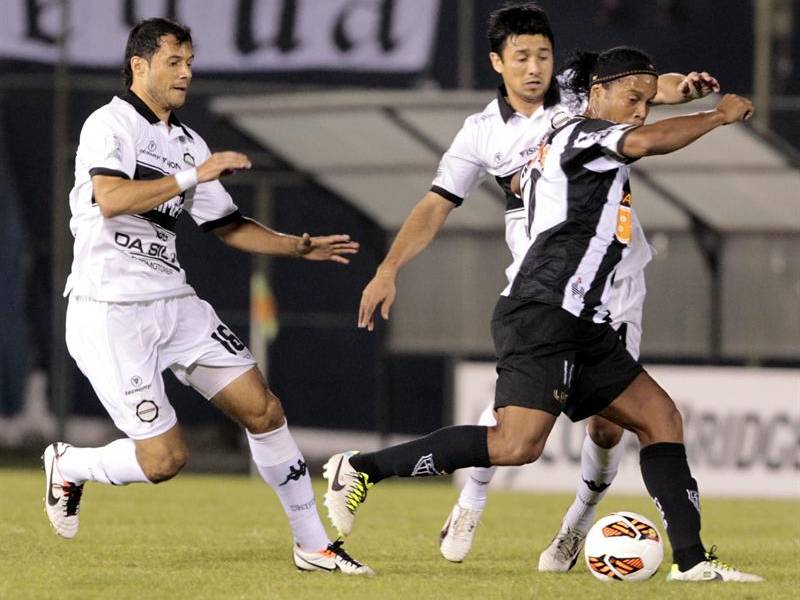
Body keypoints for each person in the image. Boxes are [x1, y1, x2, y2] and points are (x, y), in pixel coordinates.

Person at [324, 44, 763, 583]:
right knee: (516, 445)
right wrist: (718, 116)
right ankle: (360, 469)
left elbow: (647, 107)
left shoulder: (585, 130)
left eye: (647, 102)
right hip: (543, 311)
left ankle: (692, 562)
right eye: (632, 99)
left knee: (661, 419)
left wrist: (680, 89)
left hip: (584, 320)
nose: (641, 111)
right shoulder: (582, 136)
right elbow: (645, 141)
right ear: (596, 94)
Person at [43, 17, 373, 576]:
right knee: (165, 460)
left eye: (190, 61)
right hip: (109, 311)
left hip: (174, 303)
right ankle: (71, 465)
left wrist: (296, 246)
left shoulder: (187, 142)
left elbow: (227, 225)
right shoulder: (110, 124)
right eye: (174, 61)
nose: (186, 72)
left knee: (264, 410)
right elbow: (111, 198)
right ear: (139, 65)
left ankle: (312, 545)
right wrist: (192, 175)